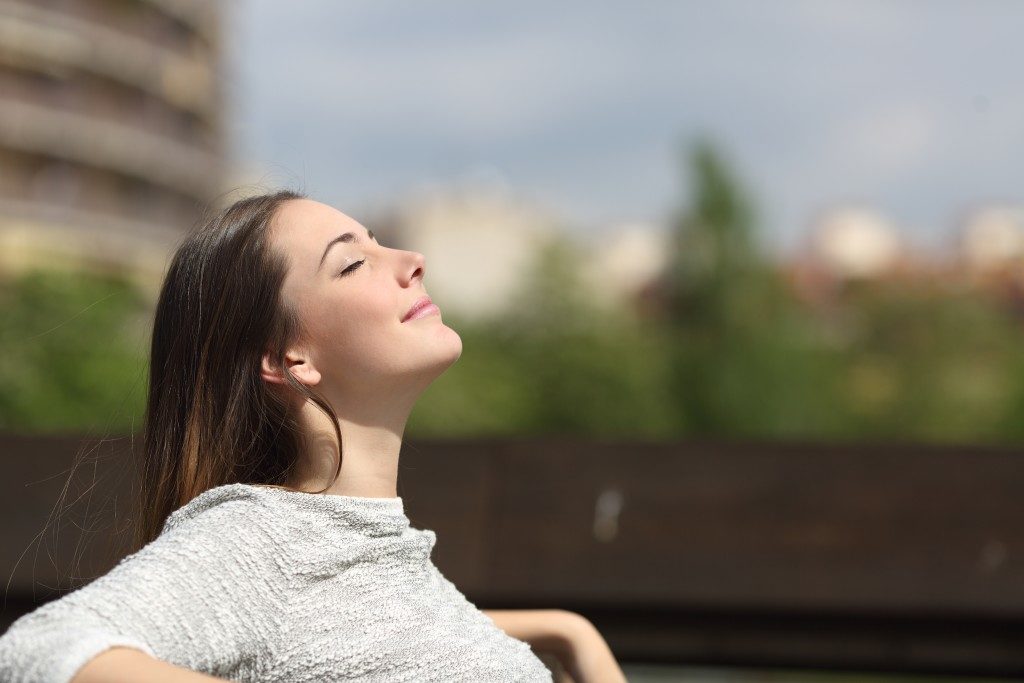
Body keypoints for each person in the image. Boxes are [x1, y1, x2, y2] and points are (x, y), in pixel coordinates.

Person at [0, 190, 627, 683]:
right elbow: (39, 652)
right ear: (289, 359)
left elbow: (357, 630)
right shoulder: (263, 539)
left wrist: (569, 631)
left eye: (378, 244)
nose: (412, 262)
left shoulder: (377, 559)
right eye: (353, 263)